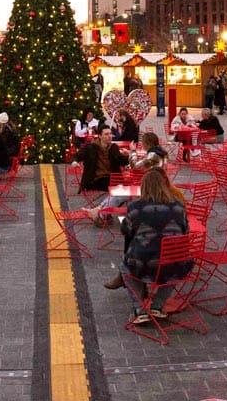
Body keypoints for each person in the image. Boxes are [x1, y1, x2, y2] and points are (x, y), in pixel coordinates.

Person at [119, 168, 193, 325]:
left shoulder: (135, 207)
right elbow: (185, 231)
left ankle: (140, 309)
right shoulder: (178, 207)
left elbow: (125, 230)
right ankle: (157, 304)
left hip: (144, 264)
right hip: (174, 265)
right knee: (178, 263)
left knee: (125, 267)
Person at [72, 126, 129, 193]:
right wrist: (75, 161)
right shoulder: (91, 147)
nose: (110, 136)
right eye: (106, 134)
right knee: (118, 189)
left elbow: (122, 161)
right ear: (100, 136)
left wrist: (127, 155)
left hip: (112, 178)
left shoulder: (114, 147)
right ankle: (107, 203)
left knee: (125, 188)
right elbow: (78, 155)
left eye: (110, 134)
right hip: (95, 179)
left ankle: (107, 203)